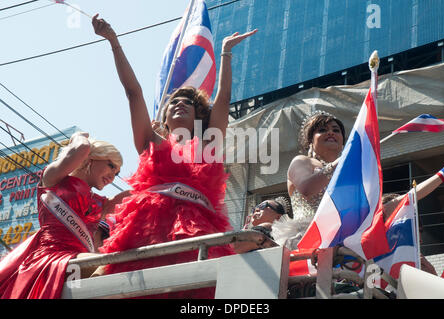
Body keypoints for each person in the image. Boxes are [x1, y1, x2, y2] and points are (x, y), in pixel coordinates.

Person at [91, 15, 257, 298]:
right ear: (165, 117)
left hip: (196, 233)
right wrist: (113, 42)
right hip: (144, 230)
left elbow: (224, 99)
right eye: (173, 103)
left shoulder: (208, 143)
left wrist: (226, 53)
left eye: (188, 103)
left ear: (199, 115)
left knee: (195, 292)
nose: (179, 104)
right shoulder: (149, 142)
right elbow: (134, 93)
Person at [0, 132, 126, 299]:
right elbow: (81, 147)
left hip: (76, 261)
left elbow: (139, 192)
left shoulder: (101, 203)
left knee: (121, 268)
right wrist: (78, 137)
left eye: (116, 173)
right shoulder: (53, 178)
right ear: (91, 159)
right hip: (50, 258)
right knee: (110, 265)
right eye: (111, 166)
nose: (112, 177)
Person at [271, 111, 346, 250]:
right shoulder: (302, 161)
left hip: (343, 236)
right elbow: (307, 188)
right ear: (310, 140)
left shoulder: (347, 170)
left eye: (336, 130)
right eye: (322, 130)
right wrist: (336, 164)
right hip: (308, 236)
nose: (331, 133)